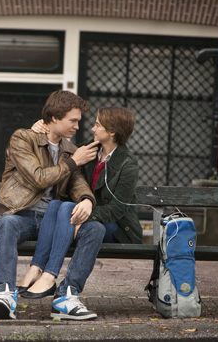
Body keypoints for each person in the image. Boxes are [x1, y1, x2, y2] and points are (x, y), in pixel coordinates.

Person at [0, 90, 105, 321]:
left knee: (95, 229)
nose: (76, 126)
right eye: (72, 120)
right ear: (54, 118)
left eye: (79, 121)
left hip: (54, 221)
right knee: (7, 224)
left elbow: (78, 184)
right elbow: (38, 177)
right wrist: (74, 162)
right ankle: (4, 293)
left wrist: (86, 199)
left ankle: (66, 296)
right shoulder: (23, 139)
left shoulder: (71, 150)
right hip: (23, 215)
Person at [17, 106, 142, 319]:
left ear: (112, 131)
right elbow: (59, 153)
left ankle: (49, 275)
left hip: (117, 226)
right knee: (58, 205)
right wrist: (41, 128)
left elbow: (117, 209)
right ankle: (49, 279)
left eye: (97, 125)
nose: (92, 128)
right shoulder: (90, 152)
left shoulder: (127, 165)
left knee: (82, 219)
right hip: (88, 221)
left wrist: (85, 214)